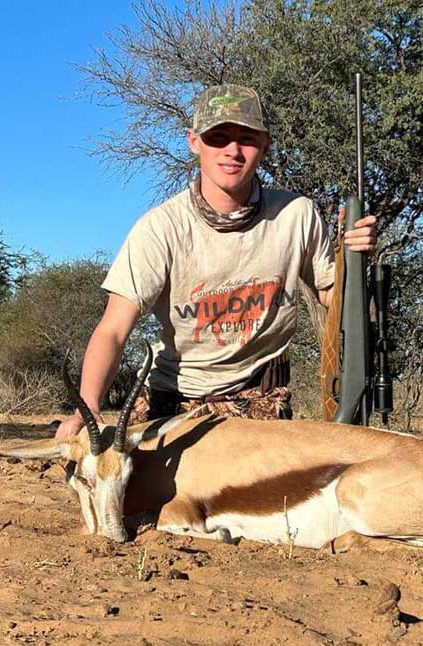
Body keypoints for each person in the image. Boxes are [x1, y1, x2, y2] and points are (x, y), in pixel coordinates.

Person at [55, 84, 376, 439]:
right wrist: (88, 408)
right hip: (173, 404)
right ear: (194, 142)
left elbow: (333, 298)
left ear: (265, 146)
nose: (232, 151)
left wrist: (352, 259)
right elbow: (114, 329)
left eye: (247, 139)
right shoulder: (160, 228)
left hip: (260, 406)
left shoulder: (296, 214)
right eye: (218, 138)